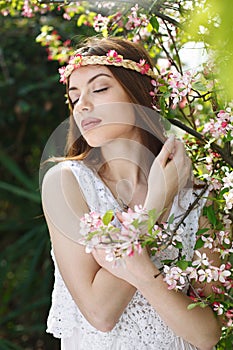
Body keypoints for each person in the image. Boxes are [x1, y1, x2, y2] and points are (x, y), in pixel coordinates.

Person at [41, 37, 221, 350]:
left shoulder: (199, 198)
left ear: (138, 93)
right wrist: (156, 205)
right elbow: (100, 312)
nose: (83, 104)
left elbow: (207, 335)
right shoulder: (66, 183)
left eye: (99, 89)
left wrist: (143, 272)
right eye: (74, 96)